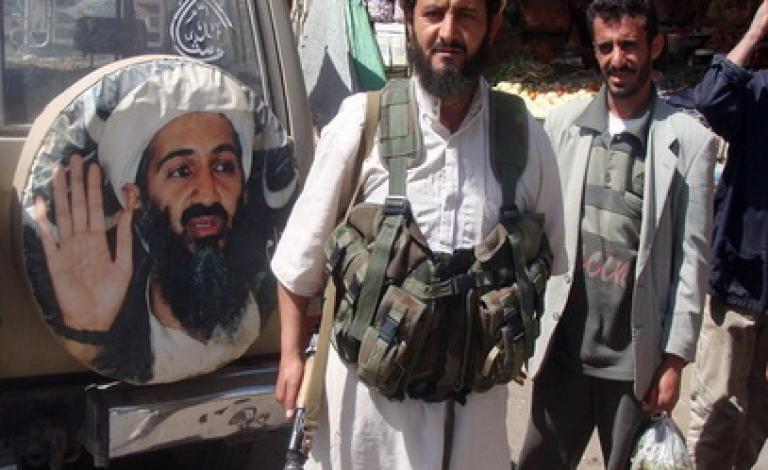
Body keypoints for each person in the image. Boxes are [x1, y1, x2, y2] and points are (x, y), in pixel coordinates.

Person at [270, 0, 566, 468]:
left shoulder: (525, 138)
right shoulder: (362, 125)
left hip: (474, 431)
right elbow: (298, 261)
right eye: (434, 13)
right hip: (367, 429)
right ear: (410, 21)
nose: (448, 32)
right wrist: (291, 356)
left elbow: (548, 259)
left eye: (466, 14)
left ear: (492, 25)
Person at [517, 1, 718, 469]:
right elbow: (538, 235)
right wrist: (525, 330)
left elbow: (692, 261)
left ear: (655, 46)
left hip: (634, 367)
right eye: (605, 47)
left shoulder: (688, 142)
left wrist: (674, 360)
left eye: (628, 45)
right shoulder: (563, 126)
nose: (616, 59)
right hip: (564, 353)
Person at [31, 63, 267, 384]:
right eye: (181, 171)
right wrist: (89, 335)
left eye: (223, 167)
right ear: (135, 197)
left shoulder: (273, 294)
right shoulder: (121, 334)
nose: (209, 192)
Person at [687, 1, 768, 467]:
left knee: (757, 414)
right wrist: (756, 30)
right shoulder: (757, 92)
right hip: (741, 279)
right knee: (719, 406)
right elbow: (710, 98)